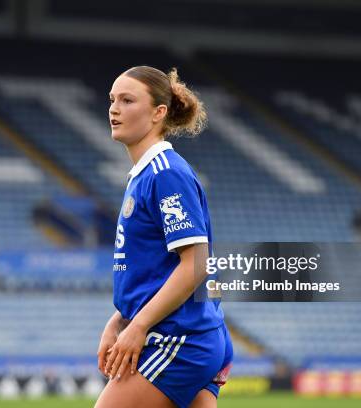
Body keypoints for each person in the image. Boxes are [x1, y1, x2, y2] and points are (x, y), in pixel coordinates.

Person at [95, 66, 233, 408]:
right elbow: (156, 270)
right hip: (192, 335)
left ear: (159, 113)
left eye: (127, 100)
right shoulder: (145, 176)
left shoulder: (165, 173)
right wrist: (119, 320)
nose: (114, 109)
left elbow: (196, 264)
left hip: (179, 339)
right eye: (112, 100)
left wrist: (137, 326)